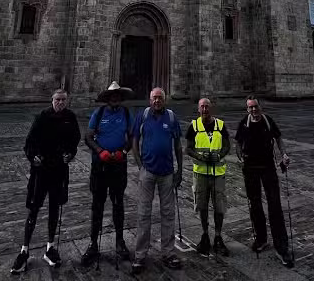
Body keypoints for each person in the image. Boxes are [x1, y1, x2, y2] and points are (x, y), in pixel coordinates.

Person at [10, 89, 81, 274]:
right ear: (52, 100)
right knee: (33, 208)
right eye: (57, 100)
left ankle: (50, 247)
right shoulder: (42, 117)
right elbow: (29, 142)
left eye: (63, 100)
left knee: (54, 208)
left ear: (67, 101)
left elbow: (75, 140)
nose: (60, 103)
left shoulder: (70, 117)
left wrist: (70, 154)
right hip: (41, 172)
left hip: (59, 170)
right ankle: (24, 250)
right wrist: (33, 156)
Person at [235, 96, 294, 268]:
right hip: (250, 169)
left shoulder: (268, 121)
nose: (253, 110)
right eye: (250, 107)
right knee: (255, 205)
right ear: (247, 109)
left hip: (268, 168)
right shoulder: (244, 123)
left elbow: (278, 138)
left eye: (256, 107)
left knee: (274, 205)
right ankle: (261, 240)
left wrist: (284, 154)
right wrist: (239, 158)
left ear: (261, 107)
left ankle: (281, 246)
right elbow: (238, 143)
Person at [131, 87, 183, 273]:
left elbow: (177, 145)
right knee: (144, 213)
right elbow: (134, 140)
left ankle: (168, 253)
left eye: (160, 98)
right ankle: (140, 255)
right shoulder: (143, 115)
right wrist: (140, 164)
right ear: (149, 99)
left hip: (167, 172)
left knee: (168, 213)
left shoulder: (171, 117)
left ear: (165, 99)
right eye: (154, 98)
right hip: (148, 171)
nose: (157, 101)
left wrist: (180, 170)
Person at [81, 81, 134, 266]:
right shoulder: (99, 113)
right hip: (100, 167)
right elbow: (88, 136)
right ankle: (93, 244)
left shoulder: (126, 113)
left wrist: (124, 152)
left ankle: (120, 242)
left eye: (118, 95)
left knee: (118, 204)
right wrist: (99, 151)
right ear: (108, 98)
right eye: (112, 95)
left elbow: (131, 137)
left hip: (118, 166)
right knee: (97, 205)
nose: (115, 98)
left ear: (120, 97)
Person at [185, 97, 230, 257]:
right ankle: (205, 235)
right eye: (202, 107)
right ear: (198, 109)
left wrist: (220, 156)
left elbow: (227, 146)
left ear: (211, 109)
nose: (205, 109)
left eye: (207, 107)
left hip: (218, 173)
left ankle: (218, 236)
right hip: (201, 173)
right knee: (202, 206)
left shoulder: (220, 125)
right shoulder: (194, 125)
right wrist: (200, 156)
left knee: (219, 206)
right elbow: (188, 148)